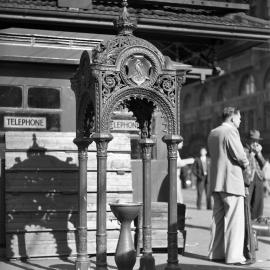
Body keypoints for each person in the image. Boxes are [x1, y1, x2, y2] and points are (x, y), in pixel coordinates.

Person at [207, 107, 252, 265]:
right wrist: (247, 164)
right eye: (239, 118)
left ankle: (216, 253)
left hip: (216, 183)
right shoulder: (231, 132)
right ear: (232, 118)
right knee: (235, 220)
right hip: (231, 182)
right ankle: (234, 256)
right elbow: (240, 155)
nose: (240, 122)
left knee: (218, 220)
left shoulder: (213, 132)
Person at [244, 130, 266, 220]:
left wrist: (259, 154)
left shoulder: (258, 150)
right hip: (249, 179)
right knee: (248, 202)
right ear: (249, 140)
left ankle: (257, 221)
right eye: (253, 140)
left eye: (257, 140)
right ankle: (247, 223)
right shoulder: (244, 149)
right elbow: (244, 163)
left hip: (259, 177)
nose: (255, 142)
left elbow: (263, 164)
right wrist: (251, 154)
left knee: (258, 202)